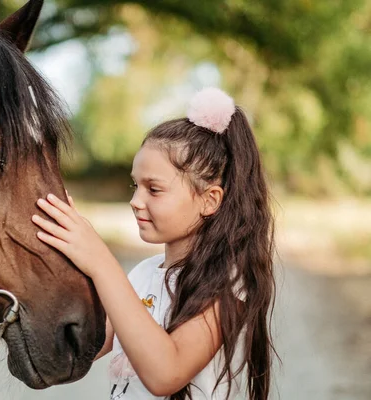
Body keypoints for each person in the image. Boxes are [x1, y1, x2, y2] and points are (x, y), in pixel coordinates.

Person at [31, 87, 276, 400]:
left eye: (154, 190)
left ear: (209, 200)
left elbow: (165, 374)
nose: (135, 201)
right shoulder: (143, 275)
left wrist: (101, 262)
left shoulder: (228, 285)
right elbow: (78, 348)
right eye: (136, 185)